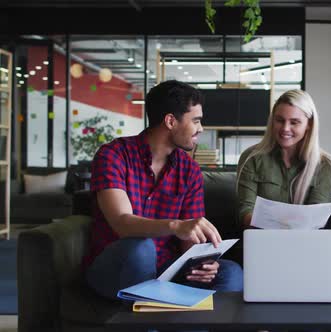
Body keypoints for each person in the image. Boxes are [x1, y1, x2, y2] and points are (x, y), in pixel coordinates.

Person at [84, 80, 243, 299]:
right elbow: (122, 223)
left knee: (230, 272)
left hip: (166, 270)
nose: (201, 128)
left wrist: (203, 264)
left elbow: (190, 241)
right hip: (116, 268)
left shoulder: (189, 170)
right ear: (170, 121)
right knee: (141, 248)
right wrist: (176, 226)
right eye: (195, 121)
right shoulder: (113, 155)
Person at [237, 89, 331, 227]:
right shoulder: (251, 158)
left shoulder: (325, 165)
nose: (285, 128)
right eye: (280, 120)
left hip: (305, 243)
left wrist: (272, 221)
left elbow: (315, 222)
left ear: (309, 125)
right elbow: (245, 212)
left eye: (294, 122)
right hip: (262, 240)